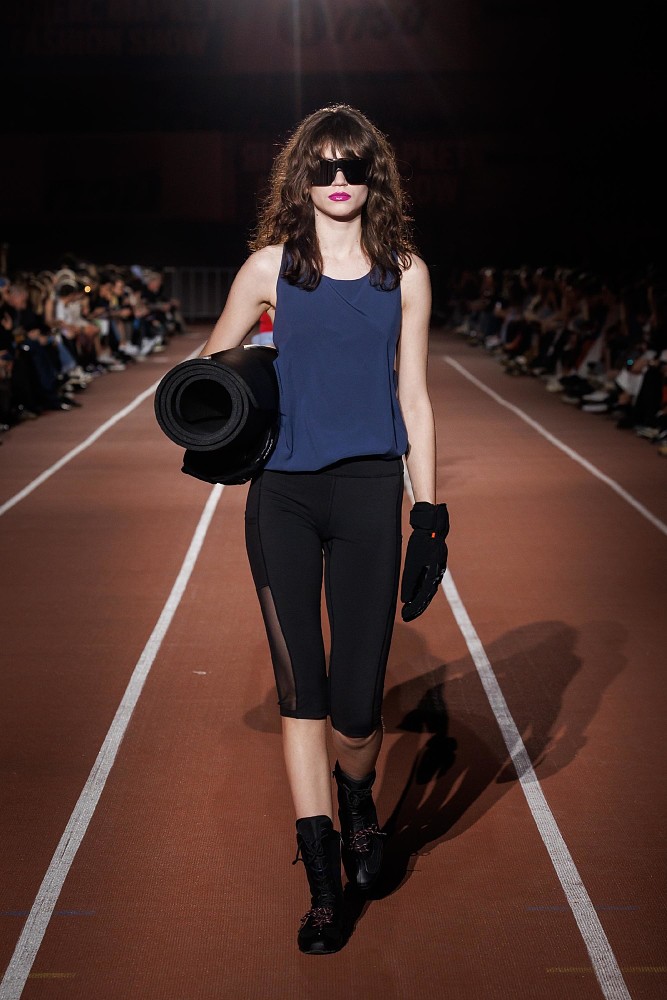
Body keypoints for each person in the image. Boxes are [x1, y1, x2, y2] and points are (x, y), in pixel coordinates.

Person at [199, 104, 449, 955]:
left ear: (374, 176)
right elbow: (212, 371)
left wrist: (429, 515)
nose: (338, 180)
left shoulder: (405, 274)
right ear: (299, 177)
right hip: (283, 498)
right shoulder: (268, 268)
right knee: (300, 691)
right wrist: (226, 398)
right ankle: (322, 886)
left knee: (354, 709)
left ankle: (357, 796)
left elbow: (414, 398)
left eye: (353, 166)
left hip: (370, 493)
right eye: (322, 166)